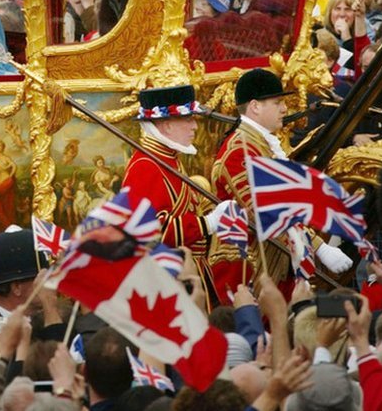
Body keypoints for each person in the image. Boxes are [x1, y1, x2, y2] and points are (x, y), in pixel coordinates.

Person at [211, 69, 353, 282]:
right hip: (248, 271)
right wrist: (319, 247)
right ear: (255, 106)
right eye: (277, 103)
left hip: (272, 261)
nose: (285, 109)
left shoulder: (257, 144)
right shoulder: (240, 150)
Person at [119, 84, 239, 306]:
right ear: (166, 125)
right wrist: (207, 224)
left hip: (189, 274)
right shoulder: (145, 166)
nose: (194, 126)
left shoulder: (167, 159)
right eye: (187, 119)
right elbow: (148, 234)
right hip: (169, 283)